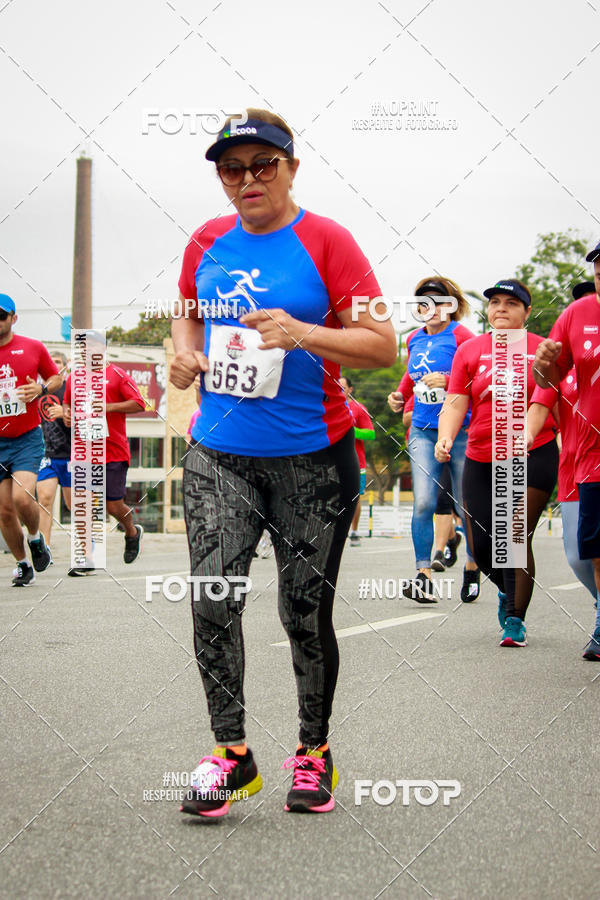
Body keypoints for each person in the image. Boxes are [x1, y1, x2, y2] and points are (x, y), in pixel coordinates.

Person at [171, 107, 396, 818]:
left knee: (303, 613)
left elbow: (382, 343)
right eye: (231, 169)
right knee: (213, 600)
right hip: (219, 455)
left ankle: (313, 751)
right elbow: (185, 307)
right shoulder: (207, 239)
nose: (247, 180)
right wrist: (183, 349)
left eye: (262, 164)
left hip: (312, 461)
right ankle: (232, 755)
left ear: (291, 167)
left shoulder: (330, 242)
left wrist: (302, 332)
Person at [435, 278, 558, 647]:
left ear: (527, 312)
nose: (501, 308)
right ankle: (507, 590)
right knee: (484, 546)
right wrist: (446, 435)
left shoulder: (542, 350)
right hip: (480, 456)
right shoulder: (470, 350)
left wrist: (530, 434)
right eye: (495, 303)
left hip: (532, 453)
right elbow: (456, 400)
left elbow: (546, 397)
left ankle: (515, 620)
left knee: (514, 535)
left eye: (511, 303)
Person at [387, 277, 480, 603]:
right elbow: (410, 376)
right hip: (423, 430)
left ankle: (471, 566)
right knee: (424, 502)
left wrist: (450, 379)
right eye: (423, 303)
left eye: (439, 302)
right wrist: (399, 396)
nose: (431, 308)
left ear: (451, 305)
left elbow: (480, 377)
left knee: (464, 505)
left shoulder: (463, 337)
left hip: (460, 432)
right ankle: (423, 574)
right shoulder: (413, 339)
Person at [532, 244, 600, 660]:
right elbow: (549, 379)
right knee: (585, 554)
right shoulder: (577, 314)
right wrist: (543, 362)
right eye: (598, 264)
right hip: (588, 457)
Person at [63, 331, 146, 574]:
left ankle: (131, 531)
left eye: (90, 346)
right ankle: (87, 558)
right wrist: (67, 413)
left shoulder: (117, 374)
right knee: (83, 502)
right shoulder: (74, 377)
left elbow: (140, 403)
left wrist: (108, 406)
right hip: (82, 450)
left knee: (113, 507)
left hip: (113, 452)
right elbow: (68, 403)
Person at [0, 293, 61, 586]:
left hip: (25, 437)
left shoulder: (32, 347)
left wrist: (39, 388)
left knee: (21, 497)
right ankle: (23, 565)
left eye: (2, 315)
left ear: (13, 318)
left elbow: (56, 378)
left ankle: (37, 541)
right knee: (4, 510)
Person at [36, 351, 72, 557]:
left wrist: (65, 413)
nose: (55, 366)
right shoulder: (40, 391)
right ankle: (44, 550)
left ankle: (85, 550)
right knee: (45, 499)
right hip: (47, 455)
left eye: (58, 362)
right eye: (52, 363)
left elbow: (89, 419)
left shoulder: (71, 389)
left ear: (65, 367)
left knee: (72, 505)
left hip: (70, 455)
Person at [339, 375, 375, 545]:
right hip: (333, 460)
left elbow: (371, 433)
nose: (340, 389)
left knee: (354, 497)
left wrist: (351, 431)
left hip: (356, 462)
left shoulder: (359, 408)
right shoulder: (328, 406)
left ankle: (354, 531)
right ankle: (336, 532)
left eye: (343, 387)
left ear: (350, 389)